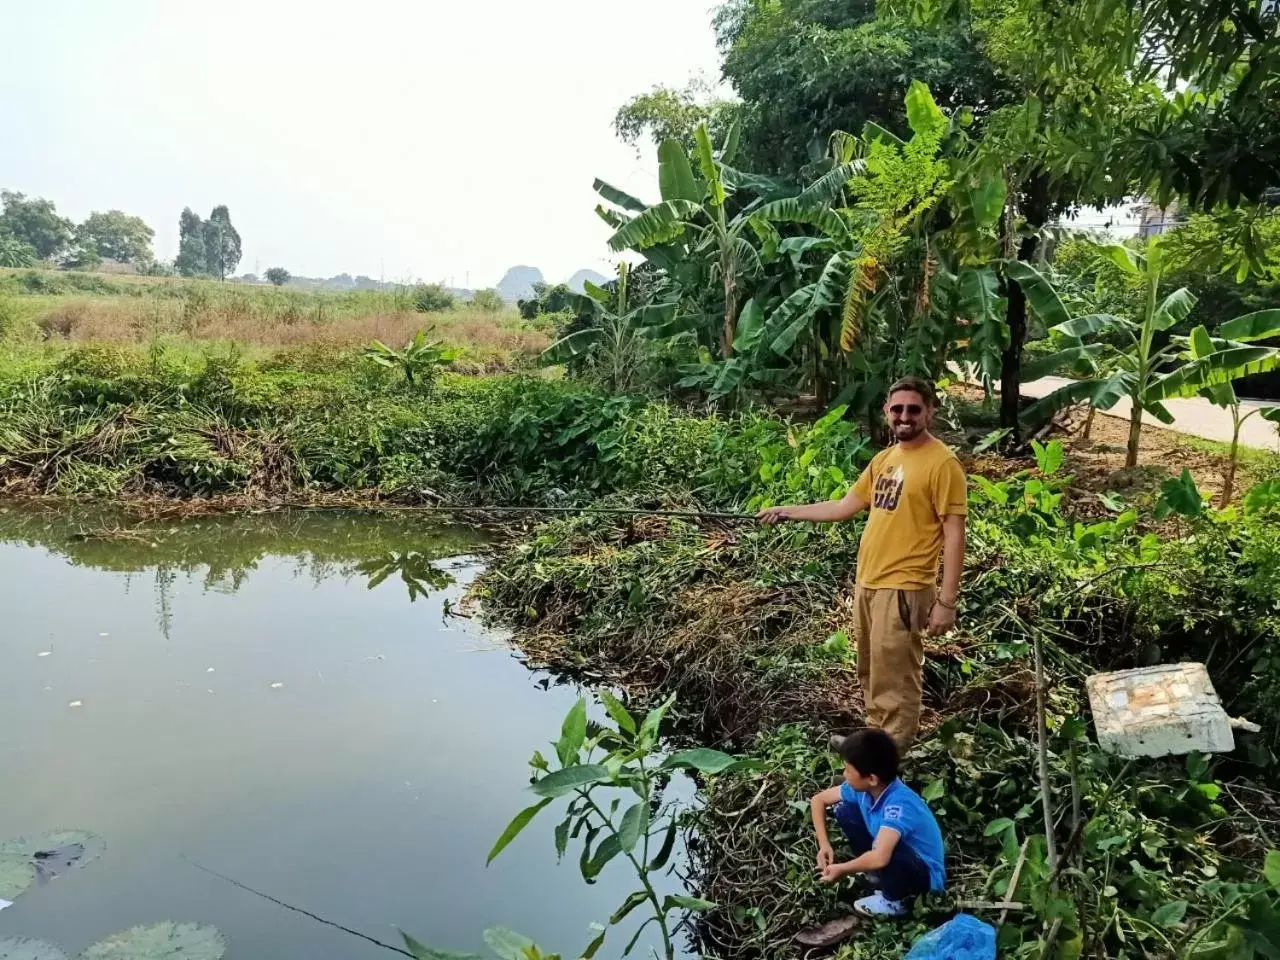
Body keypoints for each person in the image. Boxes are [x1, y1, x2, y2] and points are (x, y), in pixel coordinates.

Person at [757, 377, 966, 747]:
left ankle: (890, 758)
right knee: (871, 670)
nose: (904, 416)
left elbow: (954, 534)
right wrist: (787, 511)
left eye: (914, 409)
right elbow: (844, 506)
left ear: (930, 412)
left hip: (904, 586)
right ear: (886, 411)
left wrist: (946, 602)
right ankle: (873, 745)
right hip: (869, 582)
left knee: (895, 678)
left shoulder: (942, 464)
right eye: (897, 409)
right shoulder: (885, 459)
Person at [810, 728, 946, 917]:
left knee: (889, 851)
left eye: (848, 770)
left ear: (872, 778)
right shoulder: (864, 790)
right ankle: (877, 876)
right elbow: (818, 800)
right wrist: (824, 845)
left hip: (923, 878)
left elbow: (881, 857)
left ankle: (895, 901)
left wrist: (843, 869)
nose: (844, 774)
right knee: (844, 810)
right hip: (888, 853)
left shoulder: (899, 805)